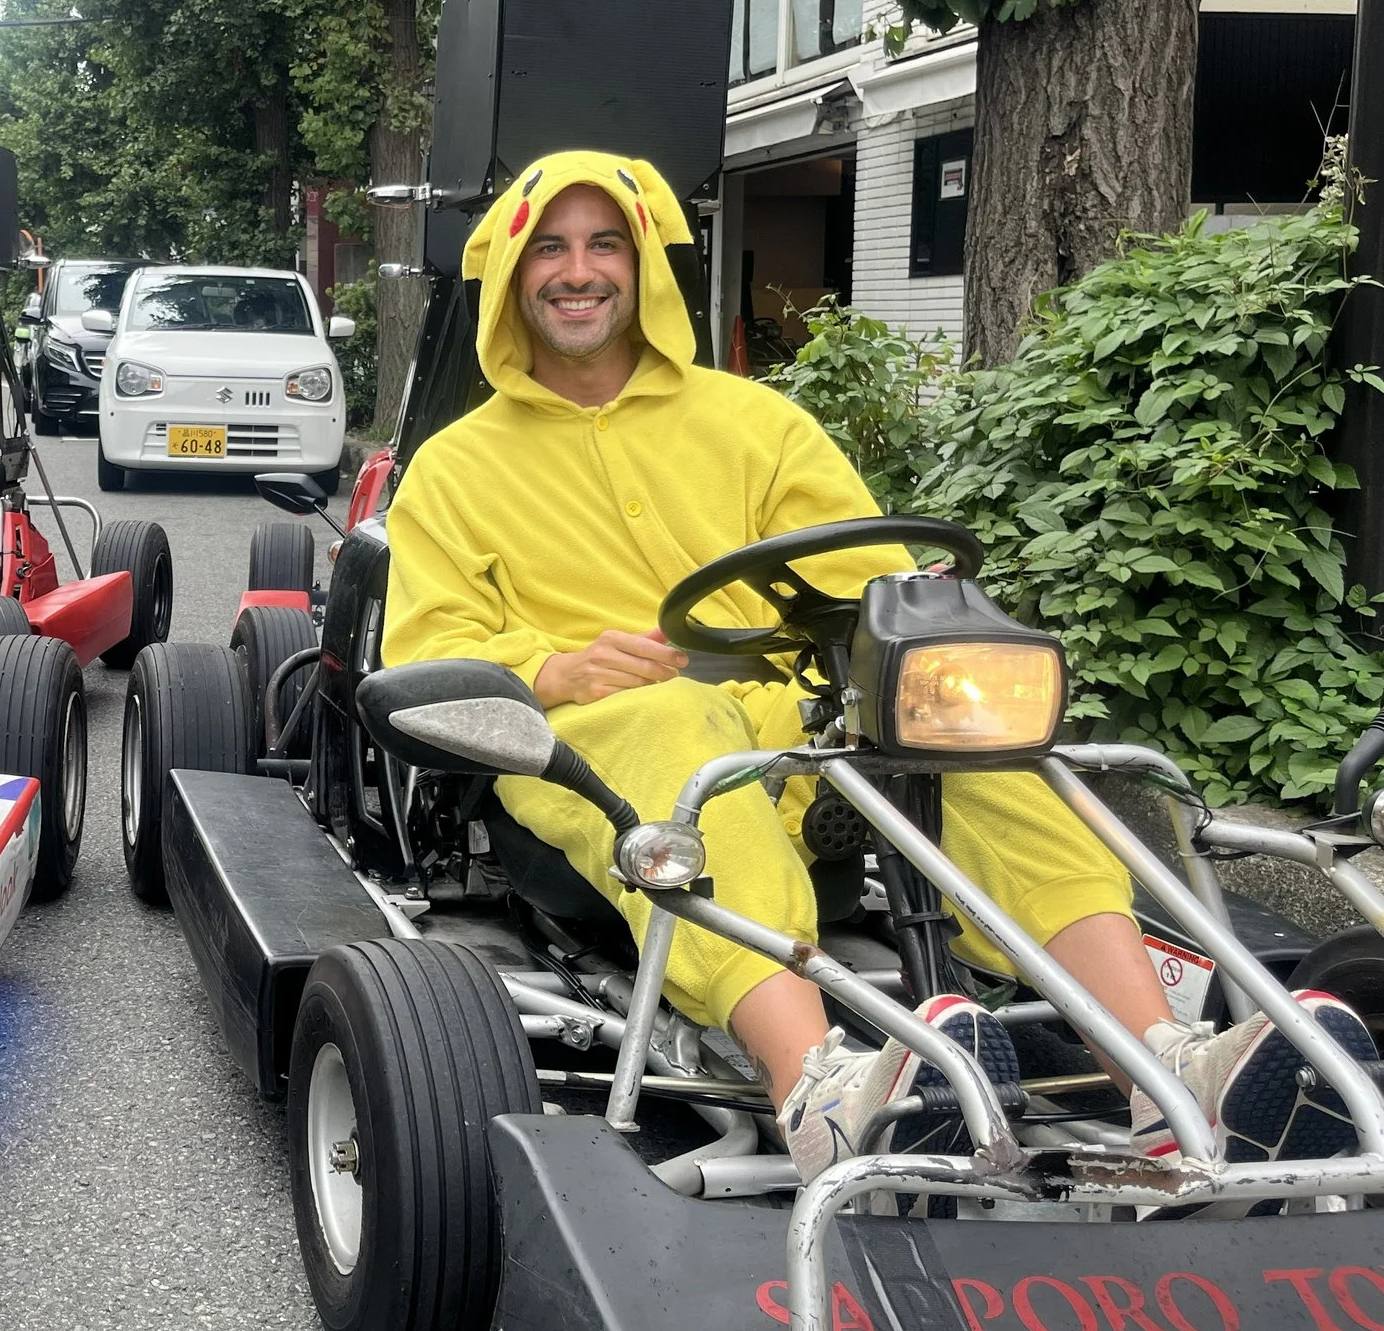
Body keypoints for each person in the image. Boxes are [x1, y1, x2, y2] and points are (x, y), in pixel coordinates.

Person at [380, 149, 1374, 1180]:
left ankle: (1164, 1068)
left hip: (792, 726)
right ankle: (816, 1086)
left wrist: (924, 639)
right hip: (595, 743)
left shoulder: (757, 426)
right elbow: (427, 651)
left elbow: (863, 580)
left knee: (973, 737)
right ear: (509, 275)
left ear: (643, 267)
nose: (577, 270)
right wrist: (551, 668)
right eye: (549, 248)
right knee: (675, 732)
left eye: (603, 245)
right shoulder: (456, 468)